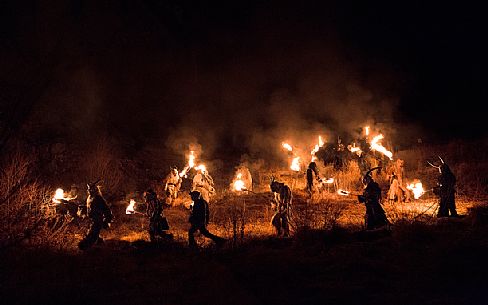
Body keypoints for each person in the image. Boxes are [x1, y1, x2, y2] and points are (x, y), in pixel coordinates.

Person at [78, 180, 113, 250]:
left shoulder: (98, 198)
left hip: (97, 220)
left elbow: (106, 208)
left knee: (92, 234)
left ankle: (84, 247)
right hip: (91, 219)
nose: (89, 190)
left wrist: (108, 219)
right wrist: (82, 208)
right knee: (94, 233)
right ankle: (100, 244)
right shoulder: (89, 198)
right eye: (89, 189)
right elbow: (90, 207)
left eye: (91, 189)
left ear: (94, 190)